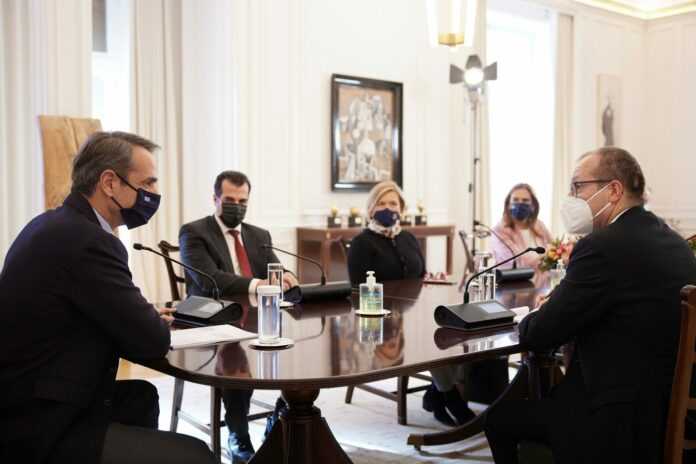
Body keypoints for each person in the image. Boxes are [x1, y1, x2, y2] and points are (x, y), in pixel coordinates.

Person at [0, 132, 216, 464]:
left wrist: (141, 318)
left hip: (25, 395)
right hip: (39, 422)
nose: (154, 193)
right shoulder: (88, 240)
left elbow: (94, 312)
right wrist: (148, 321)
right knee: (197, 455)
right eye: (147, 182)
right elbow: (153, 340)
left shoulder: (52, 224)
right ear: (110, 183)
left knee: (142, 397)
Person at [484, 147, 696, 464]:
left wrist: (535, 314)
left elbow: (539, 334)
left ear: (613, 190)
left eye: (578, 186)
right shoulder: (675, 242)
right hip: (668, 411)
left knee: (498, 419)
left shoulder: (601, 246)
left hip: (615, 422)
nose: (572, 198)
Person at [179, 170, 296, 463]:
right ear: (215, 198)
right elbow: (210, 281)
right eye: (230, 200)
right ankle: (238, 436)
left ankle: (282, 418)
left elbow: (276, 270)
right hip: (213, 318)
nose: (237, 206)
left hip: (256, 316)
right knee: (236, 356)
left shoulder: (259, 235)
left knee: (295, 346)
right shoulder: (194, 232)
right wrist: (259, 284)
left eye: (243, 201)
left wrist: (286, 277)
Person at [347, 181, 474, 426]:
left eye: (393, 203)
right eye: (381, 203)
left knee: (456, 330)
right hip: (381, 320)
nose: (388, 208)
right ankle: (450, 397)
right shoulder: (362, 243)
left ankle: (437, 393)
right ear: (371, 209)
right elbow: (358, 291)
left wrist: (433, 280)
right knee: (431, 338)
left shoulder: (408, 238)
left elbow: (420, 275)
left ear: (402, 208)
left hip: (415, 313)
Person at [491, 183, 552, 270]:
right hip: (514, 278)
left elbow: (554, 249)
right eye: (515, 200)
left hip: (544, 278)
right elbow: (517, 263)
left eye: (525, 200)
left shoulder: (539, 225)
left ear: (533, 206)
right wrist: (548, 256)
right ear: (508, 204)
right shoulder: (498, 231)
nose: (520, 204)